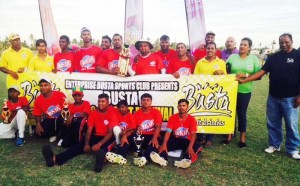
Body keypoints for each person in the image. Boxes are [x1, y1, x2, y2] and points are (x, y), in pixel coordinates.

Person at [238, 33, 300, 159]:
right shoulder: (273, 57)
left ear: (292, 41)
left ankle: (292, 149)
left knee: (291, 124)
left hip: (291, 97)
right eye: (281, 42)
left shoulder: (298, 55)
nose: (283, 44)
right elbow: (261, 73)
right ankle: (274, 145)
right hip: (273, 96)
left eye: (286, 42)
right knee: (272, 122)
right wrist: (245, 80)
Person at [42, 93, 117, 173]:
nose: (100, 104)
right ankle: (55, 159)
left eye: (103, 102)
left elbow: (110, 133)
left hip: (108, 137)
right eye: (99, 101)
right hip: (95, 136)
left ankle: (101, 162)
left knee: (103, 149)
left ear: (108, 102)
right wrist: (86, 143)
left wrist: (99, 144)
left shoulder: (112, 112)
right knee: (78, 147)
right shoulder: (94, 113)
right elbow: (89, 130)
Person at [106, 93, 163, 167]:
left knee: (153, 144)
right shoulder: (137, 114)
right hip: (140, 136)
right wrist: (125, 136)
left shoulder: (156, 112)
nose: (145, 102)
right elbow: (133, 129)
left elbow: (158, 127)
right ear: (141, 102)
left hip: (152, 135)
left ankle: (144, 159)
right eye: (144, 100)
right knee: (127, 140)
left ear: (151, 102)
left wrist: (155, 138)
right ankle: (119, 156)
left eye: (148, 100)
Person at [226, 37, 261, 148]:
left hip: (245, 91)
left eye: (245, 45)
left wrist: (245, 76)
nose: (242, 46)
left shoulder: (254, 59)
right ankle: (229, 136)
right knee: (230, 113)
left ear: (249, 47)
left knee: (241, 113)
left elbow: (259, 76)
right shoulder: (232, 57)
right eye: (241, 44)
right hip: (231, 90)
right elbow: (226, 72)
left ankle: (242, 138)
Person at [150, 99, 202, 168]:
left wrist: (190, 147)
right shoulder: (173, 118)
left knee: (196, 146)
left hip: (187, 141)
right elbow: (168, 132)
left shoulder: (191, 119)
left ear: (187, 107)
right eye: (180, 106)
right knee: (163, 144)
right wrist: (164, 144)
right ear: (177, 107)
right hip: (176, 139)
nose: (182, 107)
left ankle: (185, 161)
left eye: (184, 106)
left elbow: (193, 135)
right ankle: (162, 159)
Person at [194, 42, 227, 147]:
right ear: (205, 49)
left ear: (216, 50)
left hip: (215, 93)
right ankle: (201, 137)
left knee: (212, 115)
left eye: (212, 48)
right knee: (202, 114)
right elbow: (195, 78)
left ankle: (209, 138)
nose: (210, 50)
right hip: (202, 93)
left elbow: (226, 77)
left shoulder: (221, 62)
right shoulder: (200, 62)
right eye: (208, 48)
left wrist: (221, 74)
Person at [33, 78, 66, 142]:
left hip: (61, 118)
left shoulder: (60, 94)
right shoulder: (38, 99)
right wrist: (38, 124)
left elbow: (66, 109)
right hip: (50, 120)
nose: (43, 87)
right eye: (41, 85)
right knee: (38, 133)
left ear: (51, 86)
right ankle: (55, 133)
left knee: (60, 120)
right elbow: (37, 114)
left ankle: (58, 134)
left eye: (46, 85)